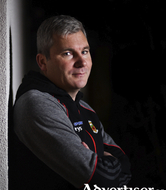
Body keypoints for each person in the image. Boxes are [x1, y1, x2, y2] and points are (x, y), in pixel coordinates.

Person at [9, 15, 132, 189]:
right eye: (68, 53)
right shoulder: (37, 104)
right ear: (43, 62)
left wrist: (104, 161)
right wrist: (104, 159)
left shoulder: (84, 107)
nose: (82, 62)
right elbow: (101, 181)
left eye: (85, 51)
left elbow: (125, 164)